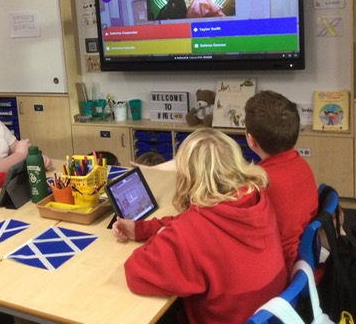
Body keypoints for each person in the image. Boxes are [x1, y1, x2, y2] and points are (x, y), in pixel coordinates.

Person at [112, 128, 286, 324]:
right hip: (266, 314)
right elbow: (195, 222)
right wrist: (143, 229)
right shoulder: (255, 198)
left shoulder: (191, 233)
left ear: (187, 177)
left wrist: (159, 235)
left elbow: (136, 273)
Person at [244, 90, 318, 274]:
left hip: (277, 270)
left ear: (250, 140)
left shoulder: (258, 185)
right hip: (303, 261)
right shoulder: (301, 165)